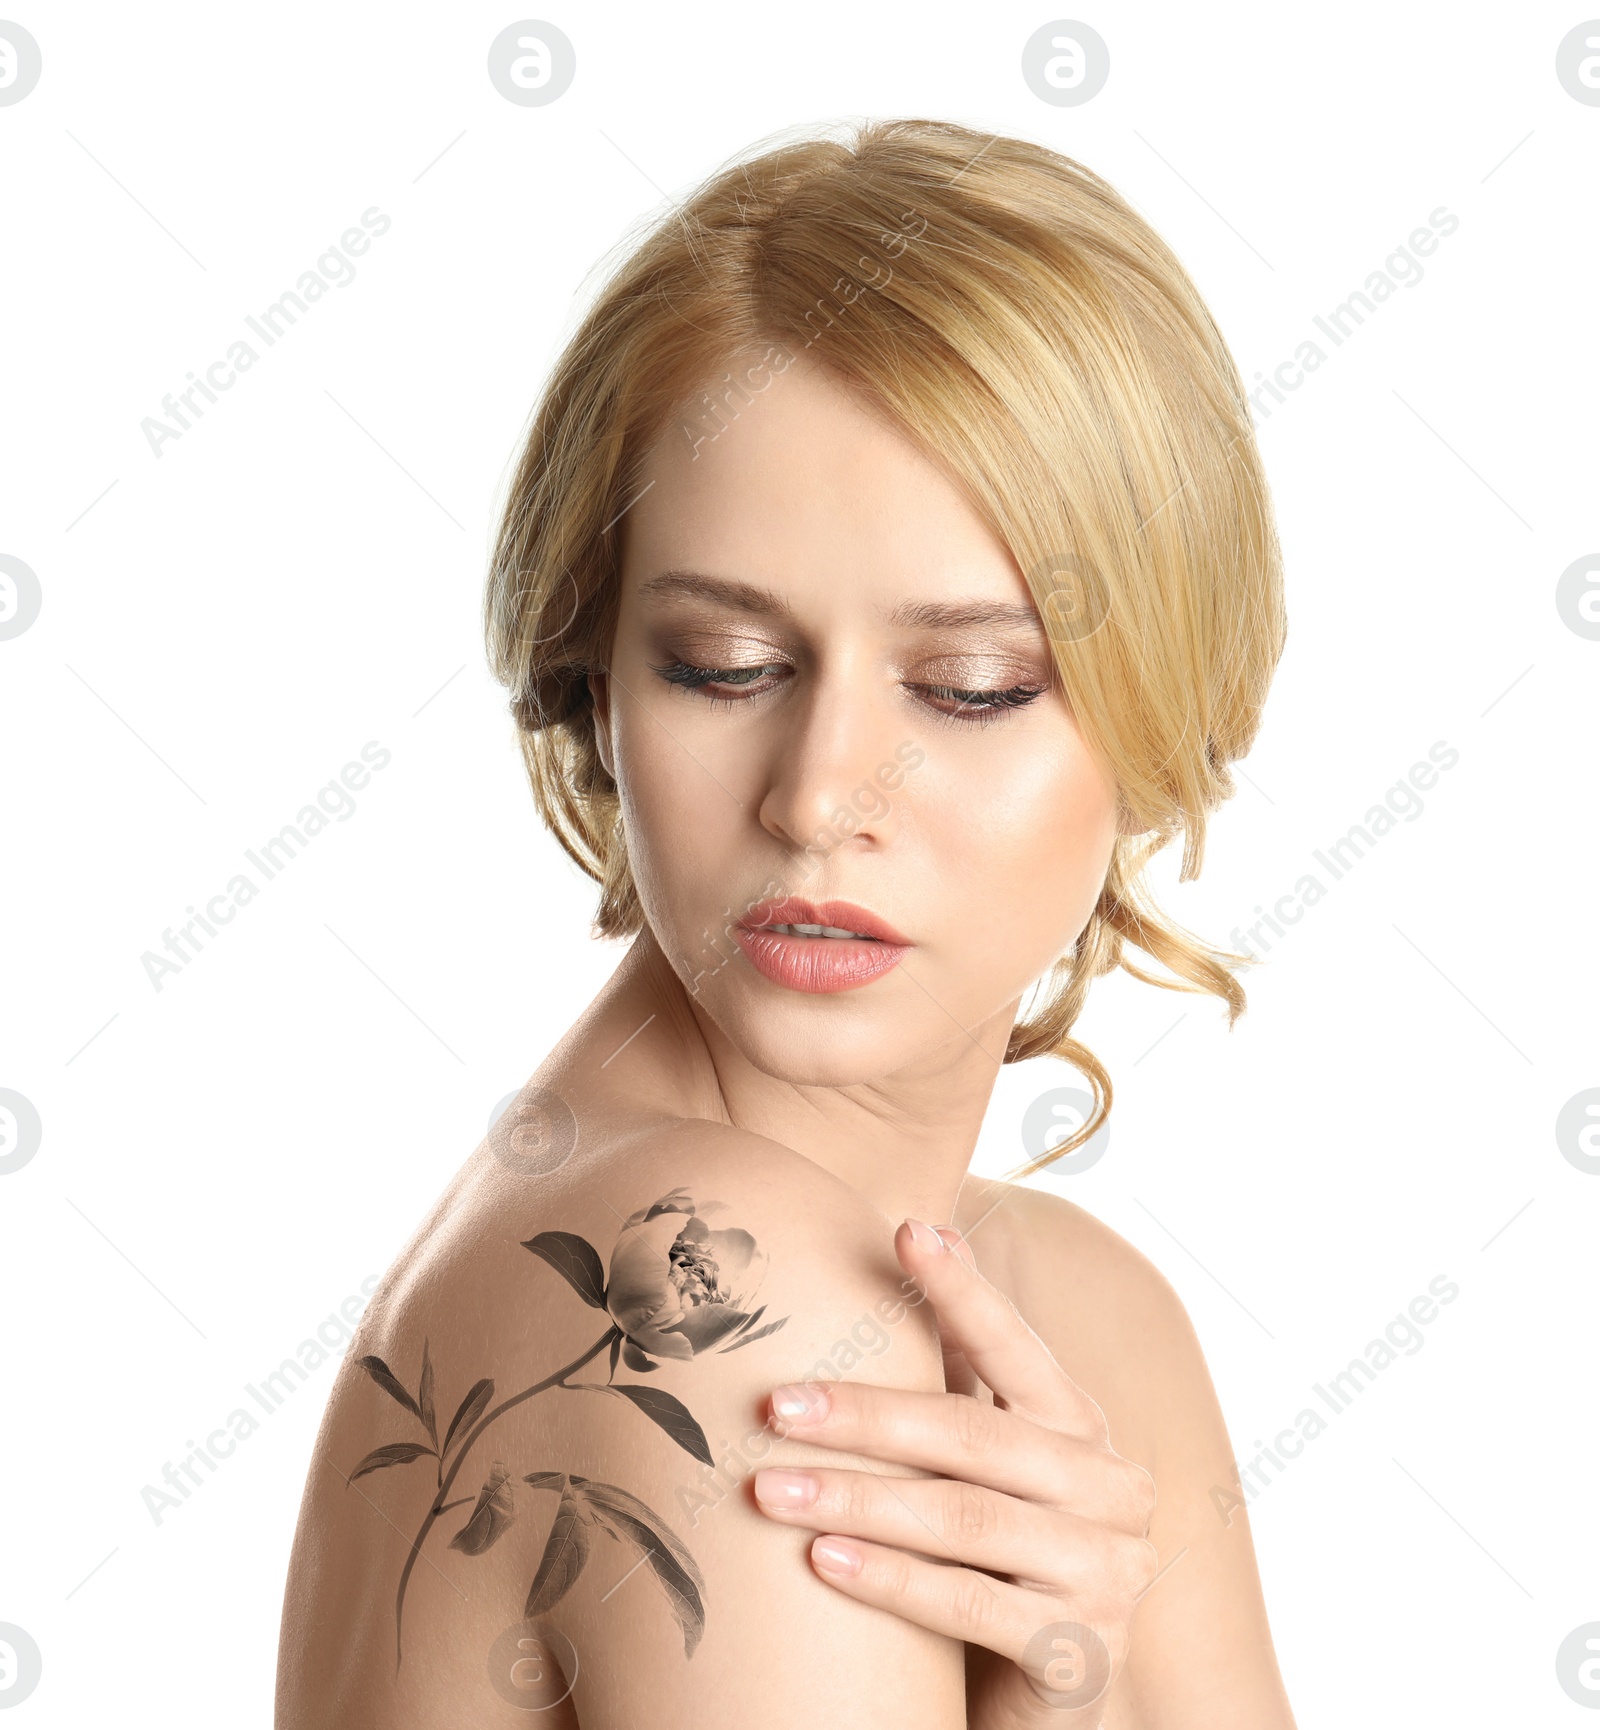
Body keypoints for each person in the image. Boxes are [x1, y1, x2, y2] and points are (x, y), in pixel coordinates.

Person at [275, 117, 1294, 1728]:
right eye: (724, 666)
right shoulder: (707, 1287)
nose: (821, 795)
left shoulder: (1080, 1319)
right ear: (590, 681)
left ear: (1173, 708)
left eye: (972, 687)